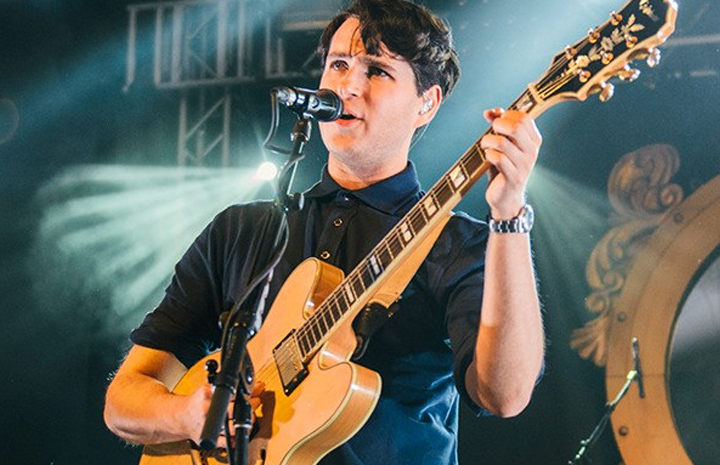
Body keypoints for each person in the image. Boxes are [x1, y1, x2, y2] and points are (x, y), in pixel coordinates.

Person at [104, 0, 545, 463]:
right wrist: (186, 417)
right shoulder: (242, 230)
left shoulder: (456, 244)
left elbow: (505, 395)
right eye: (338, 65)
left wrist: (509, 215)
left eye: (377, 71)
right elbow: (124, 401)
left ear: (426, 103)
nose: (349, 84)